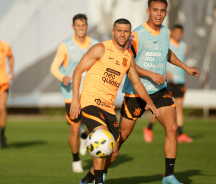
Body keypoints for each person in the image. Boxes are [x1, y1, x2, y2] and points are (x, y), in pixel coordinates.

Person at [106, 1, 200, 184]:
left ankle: (169, 176)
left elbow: (166, 52)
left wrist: (185, 67)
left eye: (162, 10)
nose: (158, 14)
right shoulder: (136, 35)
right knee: (122, 137)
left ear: (166, 12)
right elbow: (128, 63)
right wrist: (151, 74)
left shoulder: (166, 32)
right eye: (155, 10)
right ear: (148, 11)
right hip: (136, 93)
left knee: (172, 128)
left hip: (158, 92)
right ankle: (98, 173)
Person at [70, 18, 159, 184]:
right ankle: (99, 181)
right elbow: (77, 71)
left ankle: (87, 180)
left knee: (114, 151)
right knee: (101, 138)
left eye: (126, 31)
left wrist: (150, 103)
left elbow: (137, 83)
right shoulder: (100, 48)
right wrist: (75, 99)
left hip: (108, 108)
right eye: (119, 30)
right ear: (113, 32)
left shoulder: (128, 58)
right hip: (90, 103)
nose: (122, 34)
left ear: (130, 34)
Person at [50, 14, 98, 173]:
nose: (81, 28)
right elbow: (53, 68)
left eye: (83, 25)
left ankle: (85, 138)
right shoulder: (66, 46)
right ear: (73, 27)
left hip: (90, 93)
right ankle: (76, 160)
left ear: (87, 26)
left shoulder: (95, 45)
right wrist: (62, 77)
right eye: (78, 25)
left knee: (93, 128)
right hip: (71, 94)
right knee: (74, 129)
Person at [143, 24, 194, 143]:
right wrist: (165, 72)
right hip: (167, 81)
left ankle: (181, 133)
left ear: (183, 34)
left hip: (180, 82)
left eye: (180, 32)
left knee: (179, 107)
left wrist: (184, 81)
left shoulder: (184, 46)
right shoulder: (167, 43)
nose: (178, 34)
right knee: (162, 108)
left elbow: (181, 64)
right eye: (175, 32)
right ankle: (149, 128)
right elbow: (160, 59)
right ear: (172, 33)